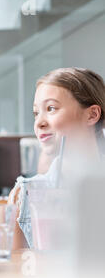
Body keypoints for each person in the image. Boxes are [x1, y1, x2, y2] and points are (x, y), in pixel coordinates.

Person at [8, 67, 105, 249]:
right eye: (36, 113)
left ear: (92, 115)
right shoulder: (24, 194)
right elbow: (15, 271)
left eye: (51, 108)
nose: (39, 123)